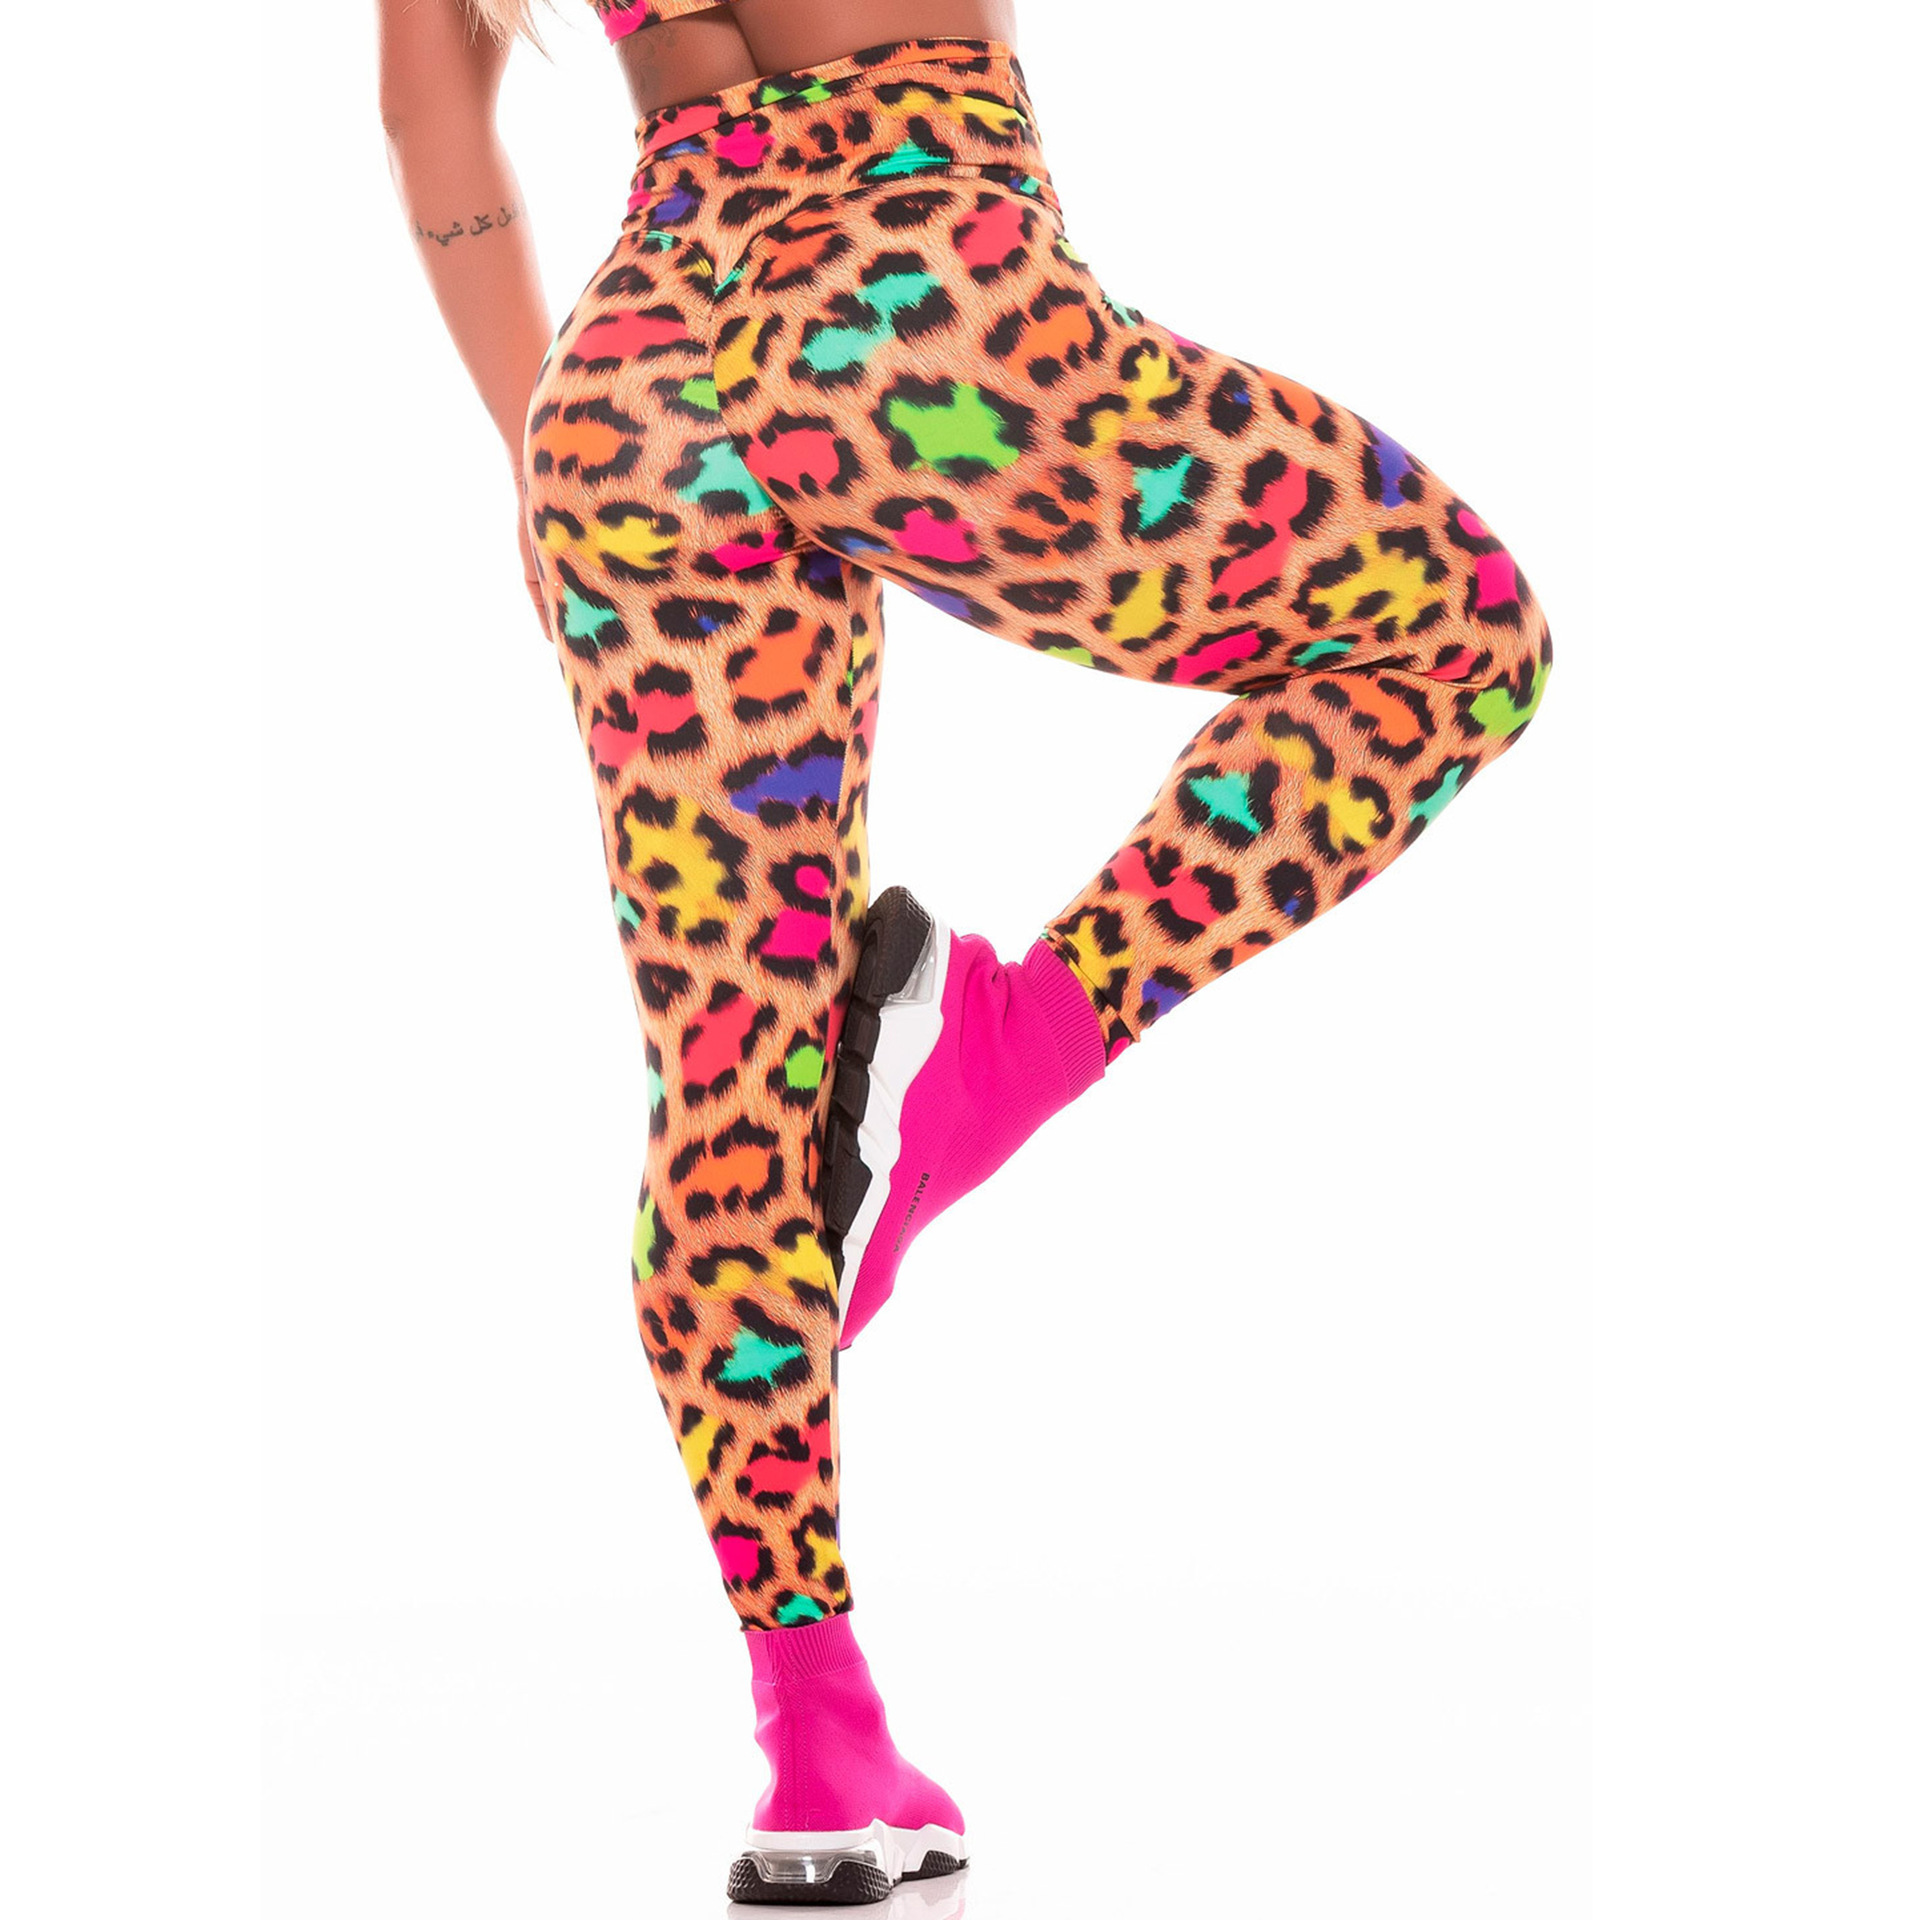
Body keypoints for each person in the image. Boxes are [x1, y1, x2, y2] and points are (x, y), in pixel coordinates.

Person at [379, 0, 1552, 1902]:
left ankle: (817, 1745)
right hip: (915, 295)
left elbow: (434, 143)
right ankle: (1007, 1047)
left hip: (630, 382)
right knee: (1450, 633)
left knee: (730, 1086)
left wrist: (541, 461)